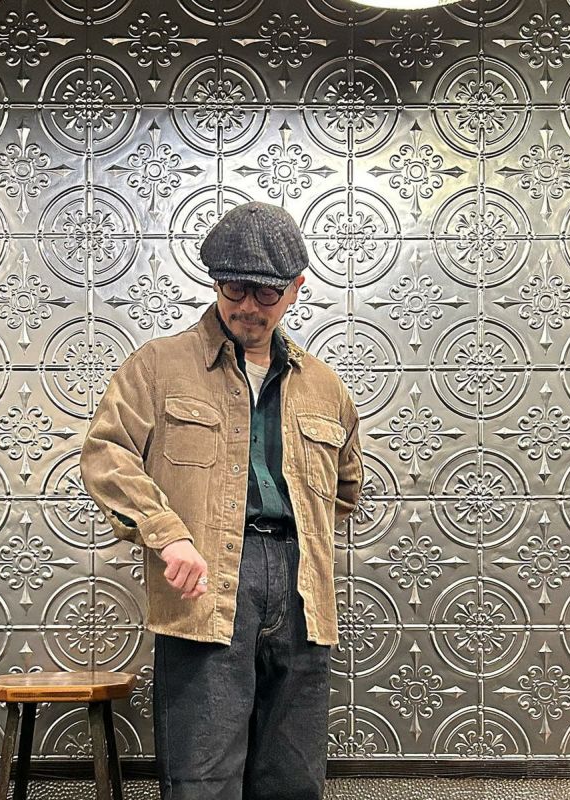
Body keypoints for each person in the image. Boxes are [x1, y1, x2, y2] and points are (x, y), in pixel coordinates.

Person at [79, 200, 364, 800]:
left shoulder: (325, 386)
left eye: (267, 293)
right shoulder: (160, 366)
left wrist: (299, 543)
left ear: (296, 289)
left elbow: (344, 489)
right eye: (235, 288)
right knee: (202, 777)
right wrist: (168, 533)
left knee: (293, 779)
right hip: (204, 585)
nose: (248, 306)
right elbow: (107, 456)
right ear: (215, 281)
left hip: (304, 589)